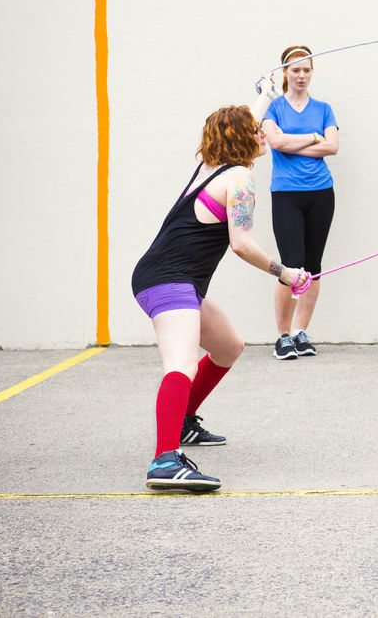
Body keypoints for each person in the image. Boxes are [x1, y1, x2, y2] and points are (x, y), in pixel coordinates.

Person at [132, 86, 311, 492]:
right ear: (242, 137)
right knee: (180, 363)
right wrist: (287, 274)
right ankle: (165, 460)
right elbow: (242, 244)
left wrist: (265, 94)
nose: (263, 132)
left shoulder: (212, 167)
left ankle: (183, 421)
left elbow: (238, 119)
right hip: (168, 279)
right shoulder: (241, 178)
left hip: (173, 277)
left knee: (228, 347)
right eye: (257, 129)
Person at [261, 46, 339, 360]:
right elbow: (274, 142)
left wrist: (295, 141)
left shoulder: (323, 108)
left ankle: (300, 332)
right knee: (291, 267)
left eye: (306, 70)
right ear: (285, 73)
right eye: (296, 70)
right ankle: (282, 336)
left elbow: (332, 147)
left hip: (321, 193)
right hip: (286, 194)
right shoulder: (274, 108)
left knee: (313, 268)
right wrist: (313, 137)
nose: (301, 76)